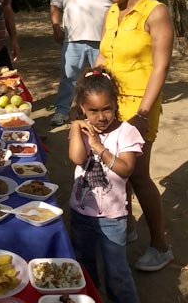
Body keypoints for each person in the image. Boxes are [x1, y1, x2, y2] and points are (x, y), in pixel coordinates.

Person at [95, 0, 174, 271]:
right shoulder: (112, 13)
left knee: (138, 175)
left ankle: (160, 245)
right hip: (112, 103)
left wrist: (142, 113)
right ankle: (125, 227)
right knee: (116, 174)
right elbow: (103, 56)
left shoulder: (155, 13)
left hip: (141, 104)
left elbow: (161, 67)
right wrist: (91, 79)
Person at [68, 67, 143, 303]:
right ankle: (91, 297)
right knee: (83, 265)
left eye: (106, 109)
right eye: (93, 111)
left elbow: (126, 169)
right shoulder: (80, 130)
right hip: (81, 213)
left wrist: (99, 147)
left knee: (117, 271)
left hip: (113, 217)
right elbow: (78, 159)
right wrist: (74, 128)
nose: (101, 117)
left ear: (115, 104)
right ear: (82, 109)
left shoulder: (127, 132)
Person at [50, 0, 111, 127]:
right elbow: (55, 5)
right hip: (73, 41)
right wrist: (56, 27)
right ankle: (62, 112)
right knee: (68, 78)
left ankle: (103, 115)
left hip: (102, 42)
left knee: (102, 79)